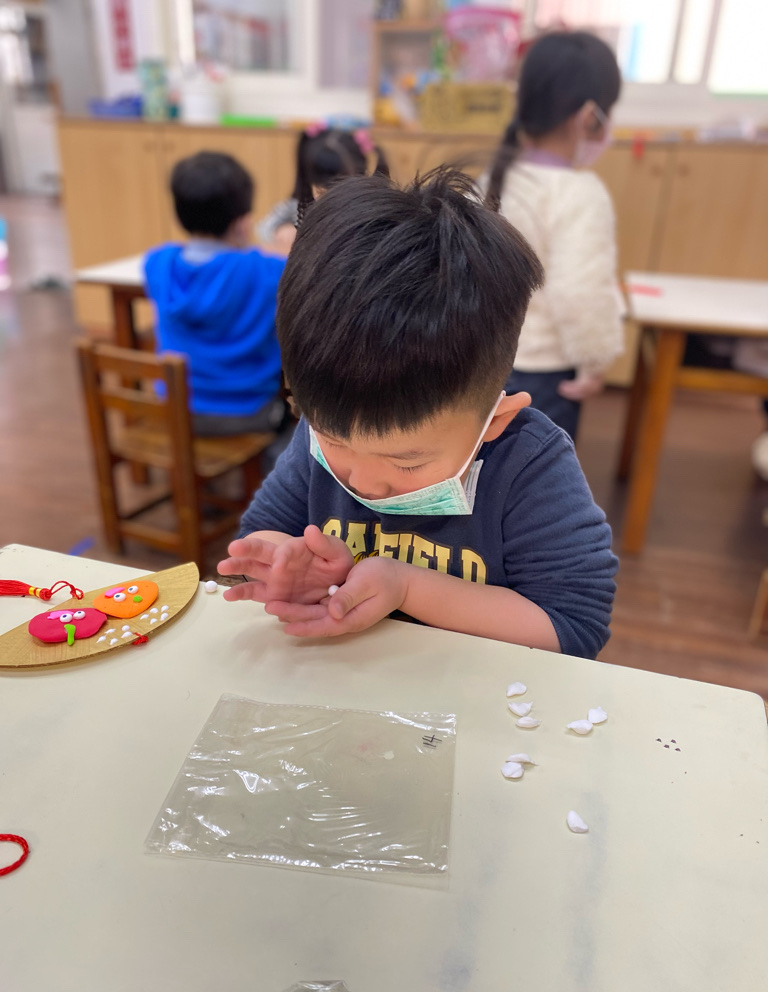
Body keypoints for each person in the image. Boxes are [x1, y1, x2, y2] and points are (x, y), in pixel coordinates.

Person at [218, 169, 618, 658]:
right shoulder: (325, 428)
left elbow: (574, 625)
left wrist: (406, 586)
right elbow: (260, 534)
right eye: (334, 442)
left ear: (493, 422)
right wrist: (285, 563)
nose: (364, 482)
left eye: (407, 461)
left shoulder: (529, 466)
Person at [482, 31, 624, 442]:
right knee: (536, 472)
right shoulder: (579, 193)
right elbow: (581, 293)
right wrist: (595, 361)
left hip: (480, 362)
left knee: (482, 466)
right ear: (590, 116)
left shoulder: (493, 178)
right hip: (543, 375)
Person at [144, 151, 288, 442]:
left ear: (179, 214)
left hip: (176, 409)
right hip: (249, 411)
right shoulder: (267, 270)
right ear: (242, 220)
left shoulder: (158, 264)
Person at [258, 125, 389, 255]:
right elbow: (264, 227)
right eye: (320, 193)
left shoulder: (370, 214)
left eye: (338, 191)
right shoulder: (300, 205)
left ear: (360, 176)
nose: (328, 199)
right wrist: (281, 230)